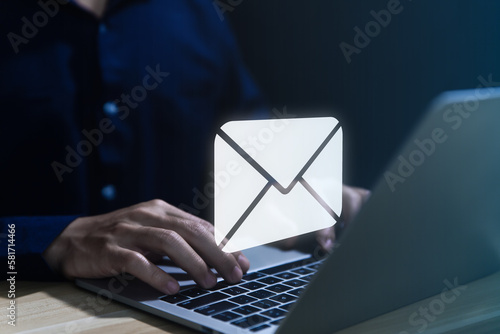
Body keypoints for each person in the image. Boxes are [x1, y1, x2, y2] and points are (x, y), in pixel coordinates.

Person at [0, 0, 369, 295]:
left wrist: (298, 198)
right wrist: (55, 238)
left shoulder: (193, 10)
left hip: (197, 293)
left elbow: (251, 145)